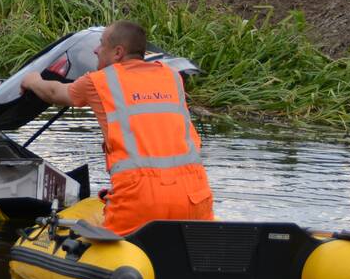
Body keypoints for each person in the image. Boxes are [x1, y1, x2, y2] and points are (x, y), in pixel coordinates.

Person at [20, 21, 214, 236]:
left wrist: (32, 80)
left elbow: (55, 93)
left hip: (140, 200)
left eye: (101, 44)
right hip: (194, 196)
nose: (96, 50)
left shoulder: (100, 81)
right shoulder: (172, 77)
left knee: (103, 246)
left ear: (118, 52)